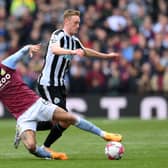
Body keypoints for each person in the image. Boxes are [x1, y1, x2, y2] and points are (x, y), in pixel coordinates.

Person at [0, 44, 122, 160]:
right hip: (22, 116)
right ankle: (51, 155)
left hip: (37, 104)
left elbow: (21, 51)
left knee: (69, 118)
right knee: (31, 147)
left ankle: (104, 134)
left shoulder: (5, 66)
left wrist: (29, 48)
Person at [35, 9, 121, 150]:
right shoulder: (58, 35)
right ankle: (39, 141)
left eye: (79, 23)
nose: (78, 26)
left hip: (60, 85)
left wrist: (106, 56)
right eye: (75, 23)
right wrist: (72, 52)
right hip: (48, 84)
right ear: (67, 21)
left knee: (61, 121)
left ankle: (38, 140)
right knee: (65, 118)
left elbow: (86, 51)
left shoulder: (74, 40)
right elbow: (55, 49)